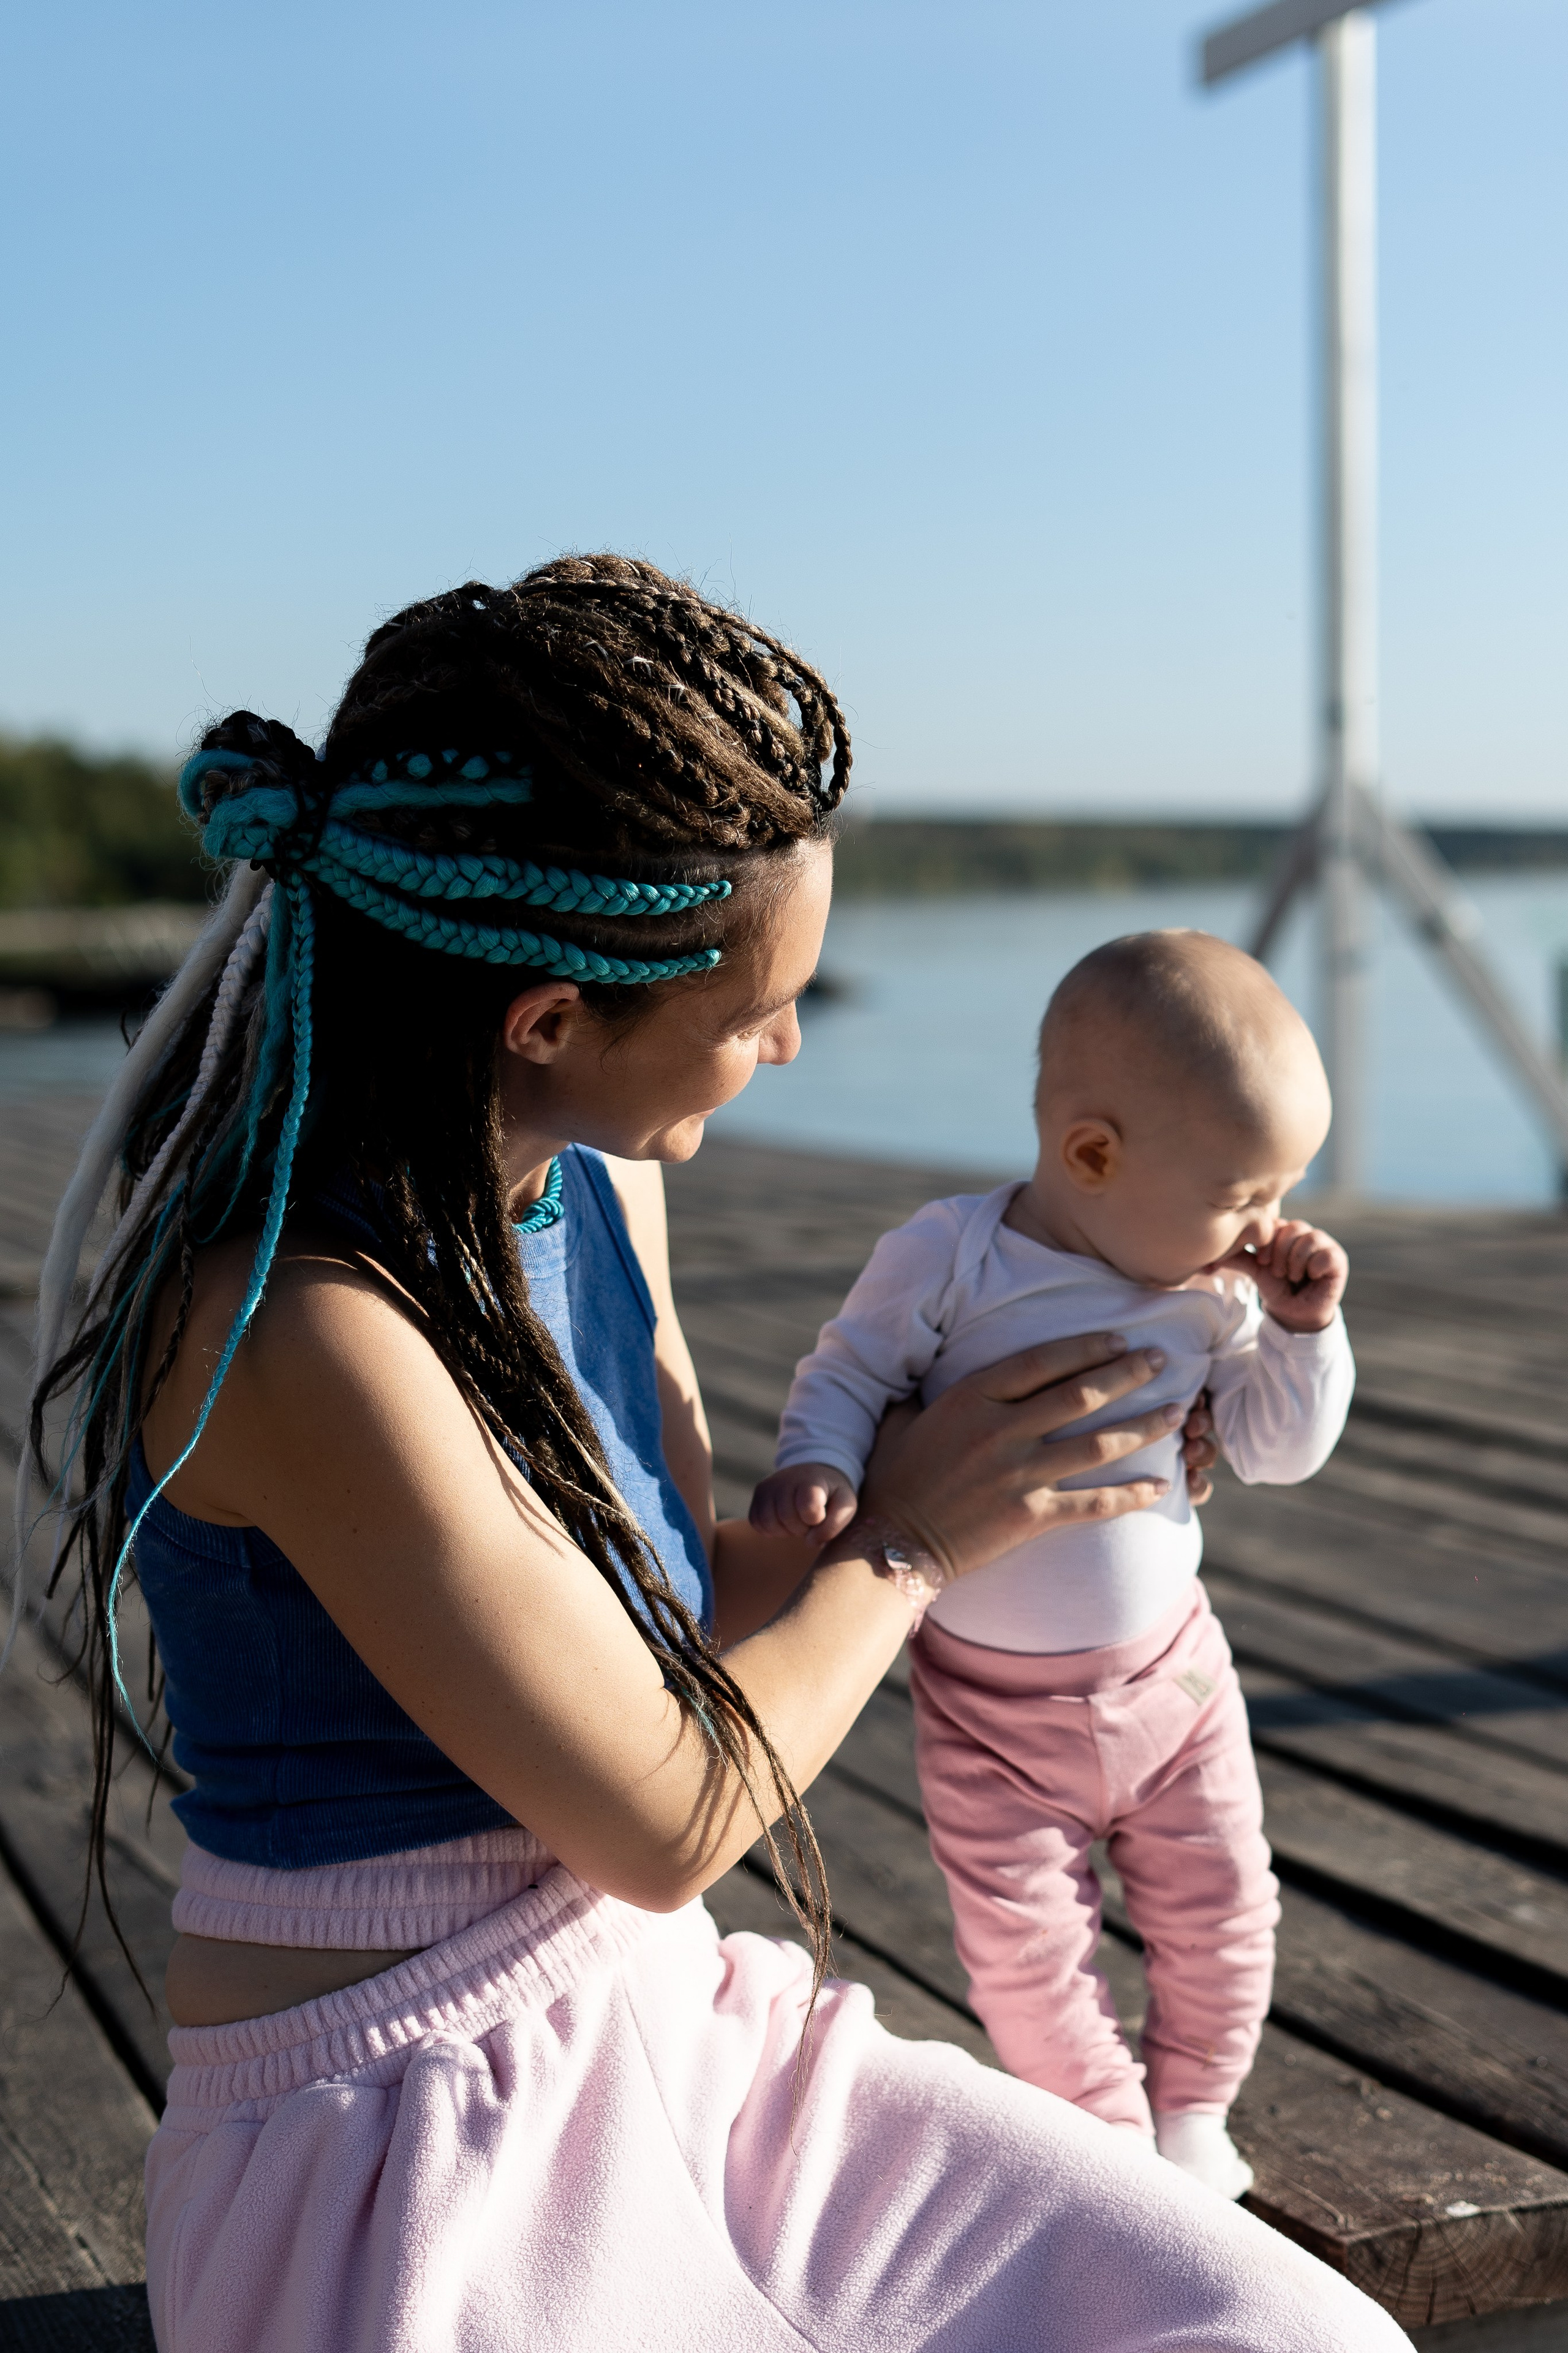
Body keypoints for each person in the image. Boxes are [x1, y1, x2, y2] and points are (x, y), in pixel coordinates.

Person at [22, 559, 1408, 2351]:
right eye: (756, 1012)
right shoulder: (296, 1330)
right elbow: (669, 1809)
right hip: (399, 2124)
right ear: (546, 1021)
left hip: (674, 2020)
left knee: (1288, 2336)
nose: (788, 1041)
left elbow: (683, 1594)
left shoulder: (600, 1184)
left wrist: (1021, 1476)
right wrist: (909, 1541)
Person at [752, 931, 1353, 2200]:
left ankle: (1191, 2107)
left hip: (1174, 1687)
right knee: (1025, 1952)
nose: (1266, 1229)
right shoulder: (952, 1257)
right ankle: (1104, 2145)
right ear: (1091, 1155)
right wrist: (818, 1458)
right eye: (1242, 1194)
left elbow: (1276, 1451)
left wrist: (1301, 1336)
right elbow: (850, 1370)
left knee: (1222, 1911)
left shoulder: (1215, 1293)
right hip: (989, 1710)